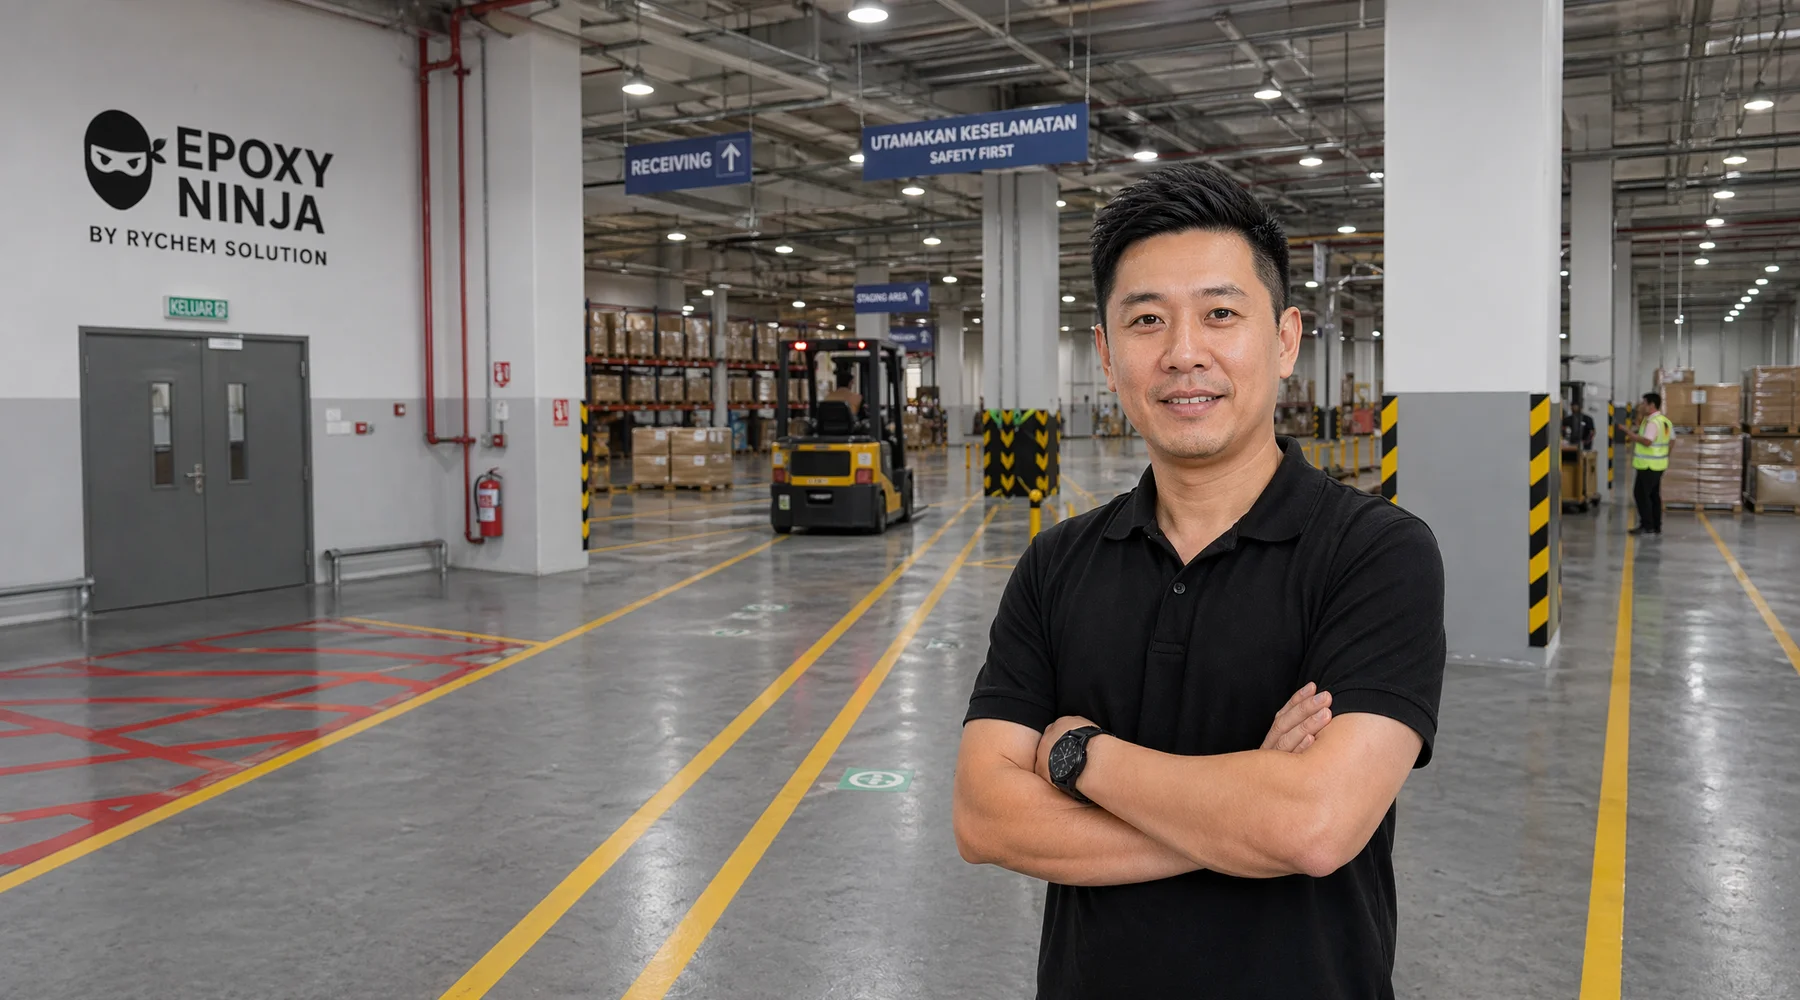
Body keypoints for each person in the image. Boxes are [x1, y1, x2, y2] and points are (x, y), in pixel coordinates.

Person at [953, 161, 1446, 1000]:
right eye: (1147, 321)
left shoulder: (1376, 555)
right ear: (1107, 357)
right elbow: (983, 817)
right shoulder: (1057, 563)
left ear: (1284, 339)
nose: (1184, 353)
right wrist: (1243, 808)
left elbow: (1316, 825)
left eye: (1221, 313)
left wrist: (1079, 758)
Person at [1626, 391, 1673, 536]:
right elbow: (1672, 440)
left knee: (1641, 494)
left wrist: (1632, 436)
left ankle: (1647, 525)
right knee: (1653, 495)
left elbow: (1647, 441)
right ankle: (1656, 525)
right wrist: (1665, 455)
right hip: (1659, 465)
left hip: (1647, 465)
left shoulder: (1652, 422)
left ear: (1651, 405)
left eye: (1644, 403)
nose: (1642, 406)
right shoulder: (1664, 421)